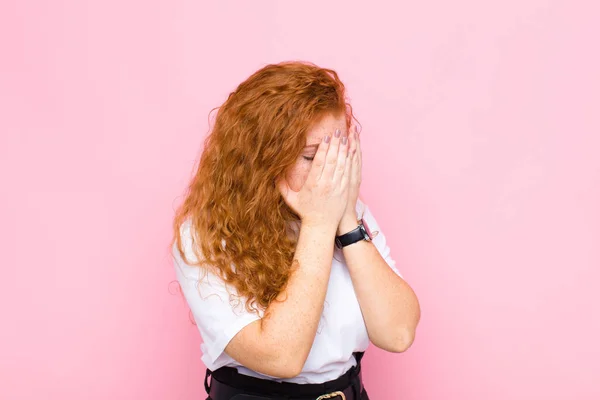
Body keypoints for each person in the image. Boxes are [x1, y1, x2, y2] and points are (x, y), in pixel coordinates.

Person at [171, 61, 421, 400]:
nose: (329, 171)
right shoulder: (204, 234)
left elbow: (399, 333)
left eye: (338, 152)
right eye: (311, 156)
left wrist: (346, 219)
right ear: (262, 160)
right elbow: (281, 356)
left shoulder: (351, 211)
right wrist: (319, 224)